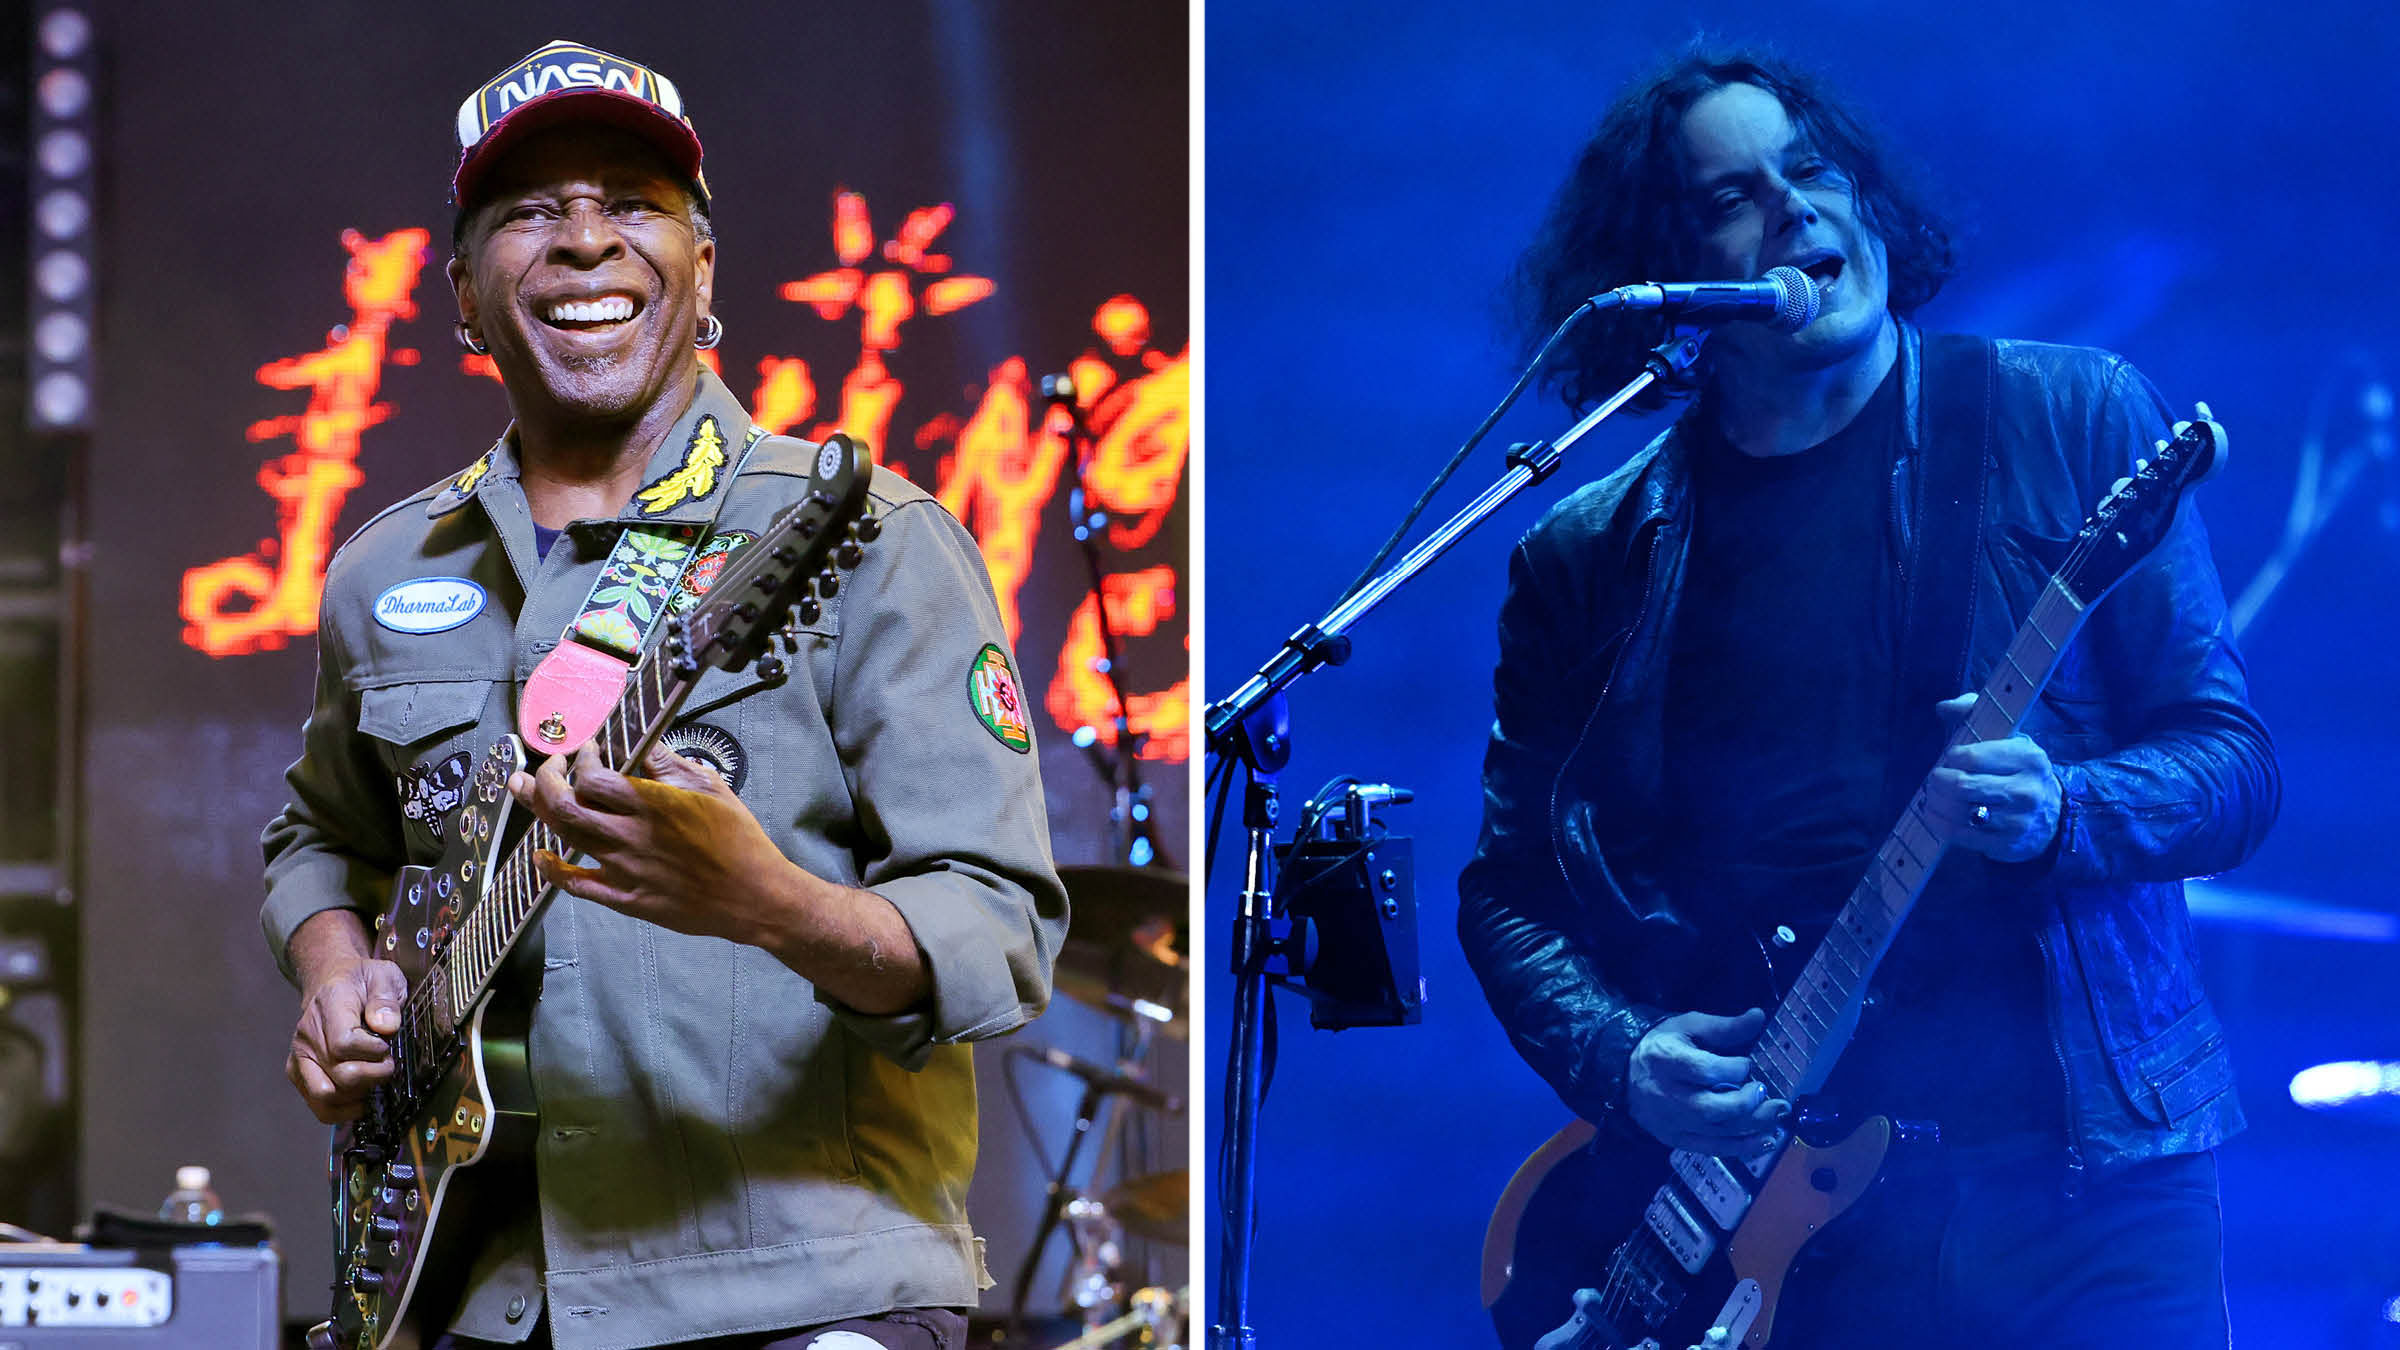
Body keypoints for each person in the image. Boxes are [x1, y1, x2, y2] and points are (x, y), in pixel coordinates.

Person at [1457, 46, 2277, 1348]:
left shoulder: (2066, 415)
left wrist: (2063, 807)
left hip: (2089, 1190)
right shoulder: (1588, 550)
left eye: (1813, 168)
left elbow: (2231, 765)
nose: (1793, 210)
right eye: (1732, 197)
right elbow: (1509, 892)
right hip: (1786, 1224)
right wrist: (1624, 1061)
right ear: (1667, 278)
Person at [263, 40, 1068, 1350]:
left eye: (633, 204)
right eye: (530, 212)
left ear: (706, 278)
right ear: (462, 296)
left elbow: (1001, 936)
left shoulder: (867, 533)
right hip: (481, 1290)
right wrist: (336, 966)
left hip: (805, 1292)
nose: (585, 241)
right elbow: (316, 836)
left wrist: (772, 904)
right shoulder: (381, 567)